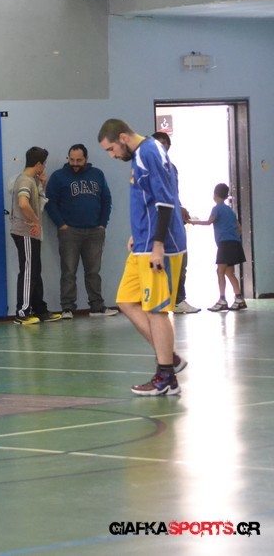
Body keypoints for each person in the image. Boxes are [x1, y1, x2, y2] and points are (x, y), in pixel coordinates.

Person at [98, 119, 188, 396]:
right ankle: (170, 358)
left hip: (158, 246)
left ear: (123, 137)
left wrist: (157, 244)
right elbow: (148, 202)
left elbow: (165, 201)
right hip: (142, 242)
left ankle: (166, 377)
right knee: (126, 300)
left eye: (111, 149)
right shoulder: (141, 155)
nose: (112, 155)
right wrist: (137, 233)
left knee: (156, 311)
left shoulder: (150, 152)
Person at [45, 144, 118, 319]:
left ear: (86, 159)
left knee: (93, 272)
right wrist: (61, 224)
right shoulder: (58, 177)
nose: (75, 164)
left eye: (79, 160)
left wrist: (102, 224)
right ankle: (67, 308)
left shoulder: (97, 174)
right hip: (69, 232)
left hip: (95, 232)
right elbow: (50, 202)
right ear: (68, 158)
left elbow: (106, 199)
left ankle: (97, 307)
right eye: (72, 160)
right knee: (68, 271)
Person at [10, 147, 61, 326]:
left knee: (34, 272)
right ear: (38, 164)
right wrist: (35, 222)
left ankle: (40, 309)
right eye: (44, 164)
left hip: (32, 234)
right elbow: (23, 203)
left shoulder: (32, 180)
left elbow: (37, 202)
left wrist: (42, 185)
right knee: (28, 272)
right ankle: (22, 312)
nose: (45, 167)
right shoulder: (25, 180)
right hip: (25, 232)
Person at [151, 132, 200, 314]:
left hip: (174, 222)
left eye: (164, 144)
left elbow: (172, 194)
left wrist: (180, 207)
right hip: (157, 222)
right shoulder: (147, 168)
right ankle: (158, 301)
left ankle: (178, 300)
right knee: (157, 264)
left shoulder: (172, 169)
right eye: (157, 144)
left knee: (181, 262)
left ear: (169, 147)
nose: (161, 147)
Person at [189, 183, 248, 312]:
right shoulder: (230, 211)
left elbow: (209, 222)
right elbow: (239, 228)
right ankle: (239, 299)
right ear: (226, 196)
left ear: (215, 195)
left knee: (220, 271)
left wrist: (192, 222)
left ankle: (222, 300)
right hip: (234, 243)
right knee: (229, 272)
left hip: (224, 244)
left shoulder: (217, 208)